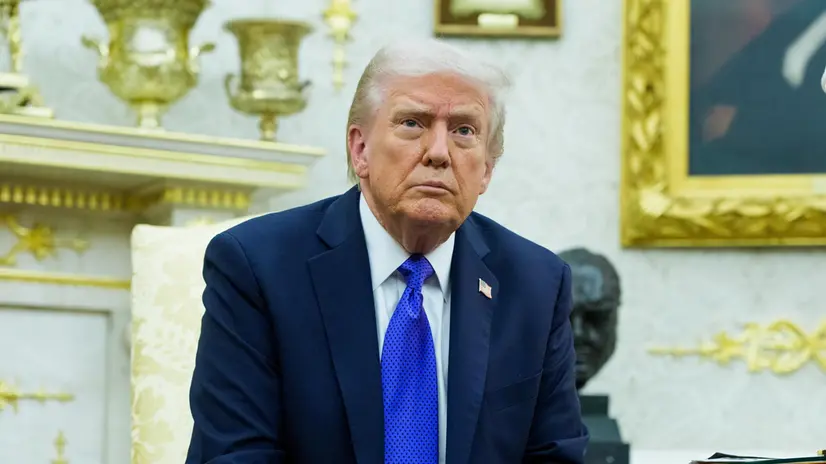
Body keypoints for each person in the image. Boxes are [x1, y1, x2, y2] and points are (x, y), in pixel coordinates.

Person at [185, 38, 588, 464]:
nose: (438, 153)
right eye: (413, 123)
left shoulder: (537, 285)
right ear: (360, 149)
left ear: (487, 169)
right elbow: (235, 454)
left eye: (464, 131)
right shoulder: (257, 267)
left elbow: (554, 455)